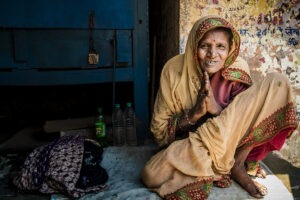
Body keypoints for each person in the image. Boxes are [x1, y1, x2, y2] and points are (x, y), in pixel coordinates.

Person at [141, 15, 298, 199]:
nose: (212, 54)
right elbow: (160, 133)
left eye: (220, 47)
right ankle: (219, 165)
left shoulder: (238, 68)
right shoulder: (174, 69)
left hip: (231, 146)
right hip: (196, 146)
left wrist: (216, 109)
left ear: (230, 48)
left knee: (278, 82)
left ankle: (237, 164)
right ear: (193, 46)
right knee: (151, 174)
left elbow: (245, 121)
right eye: (204, 46)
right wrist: (194, 114)